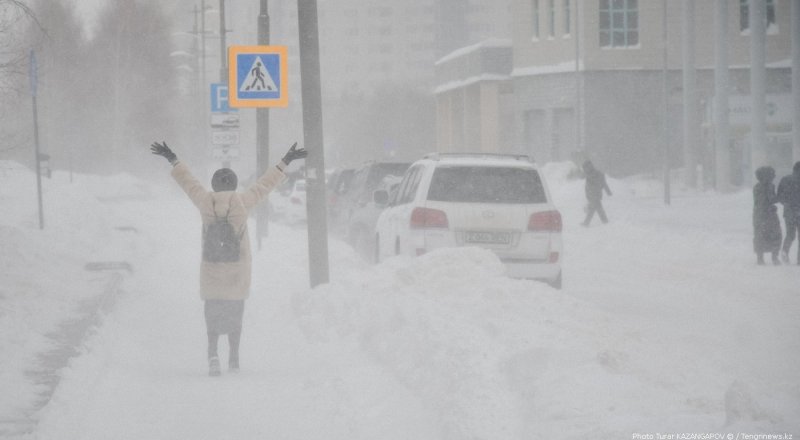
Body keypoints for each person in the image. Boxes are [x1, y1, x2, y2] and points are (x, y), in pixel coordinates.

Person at [150, 140, 307, 376]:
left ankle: (213, 354)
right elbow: (265, 185)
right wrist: (286, 160)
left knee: (211, 318)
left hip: (212, 272)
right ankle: (233, 357)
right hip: (236, 274)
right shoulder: (243, 201)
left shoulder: (205, 201)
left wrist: (172, 157)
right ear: (234, 185)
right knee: (235, 317)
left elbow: (188, 182)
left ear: (213, 185)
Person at [752, 166, 782, 265]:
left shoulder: (756, 186)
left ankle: (760, 258)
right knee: (775, 235)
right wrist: (781, 196)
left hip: (758, 214)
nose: (774, 176)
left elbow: (759, 201)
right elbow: (771, 199)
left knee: (760, 236)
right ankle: (774, 258)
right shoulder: (769, 186)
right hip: (769, 215)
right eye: (772, 174)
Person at [777, 161, 800, 264]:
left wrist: (787, 203)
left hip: (789, 211)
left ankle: (785, 251)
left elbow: (779, 196)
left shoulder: (785, 179)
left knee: (790, 234)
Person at [581, 160, 612, 226]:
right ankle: (605, 221)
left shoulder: (597, 174)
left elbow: (603, 184)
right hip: (593, 195)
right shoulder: (591, 174)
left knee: (593, 209)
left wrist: (609, 193)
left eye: (585, 168)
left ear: (588, 167)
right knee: (597, 208)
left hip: (595, 195)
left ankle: (586, 223)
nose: (584, 170)